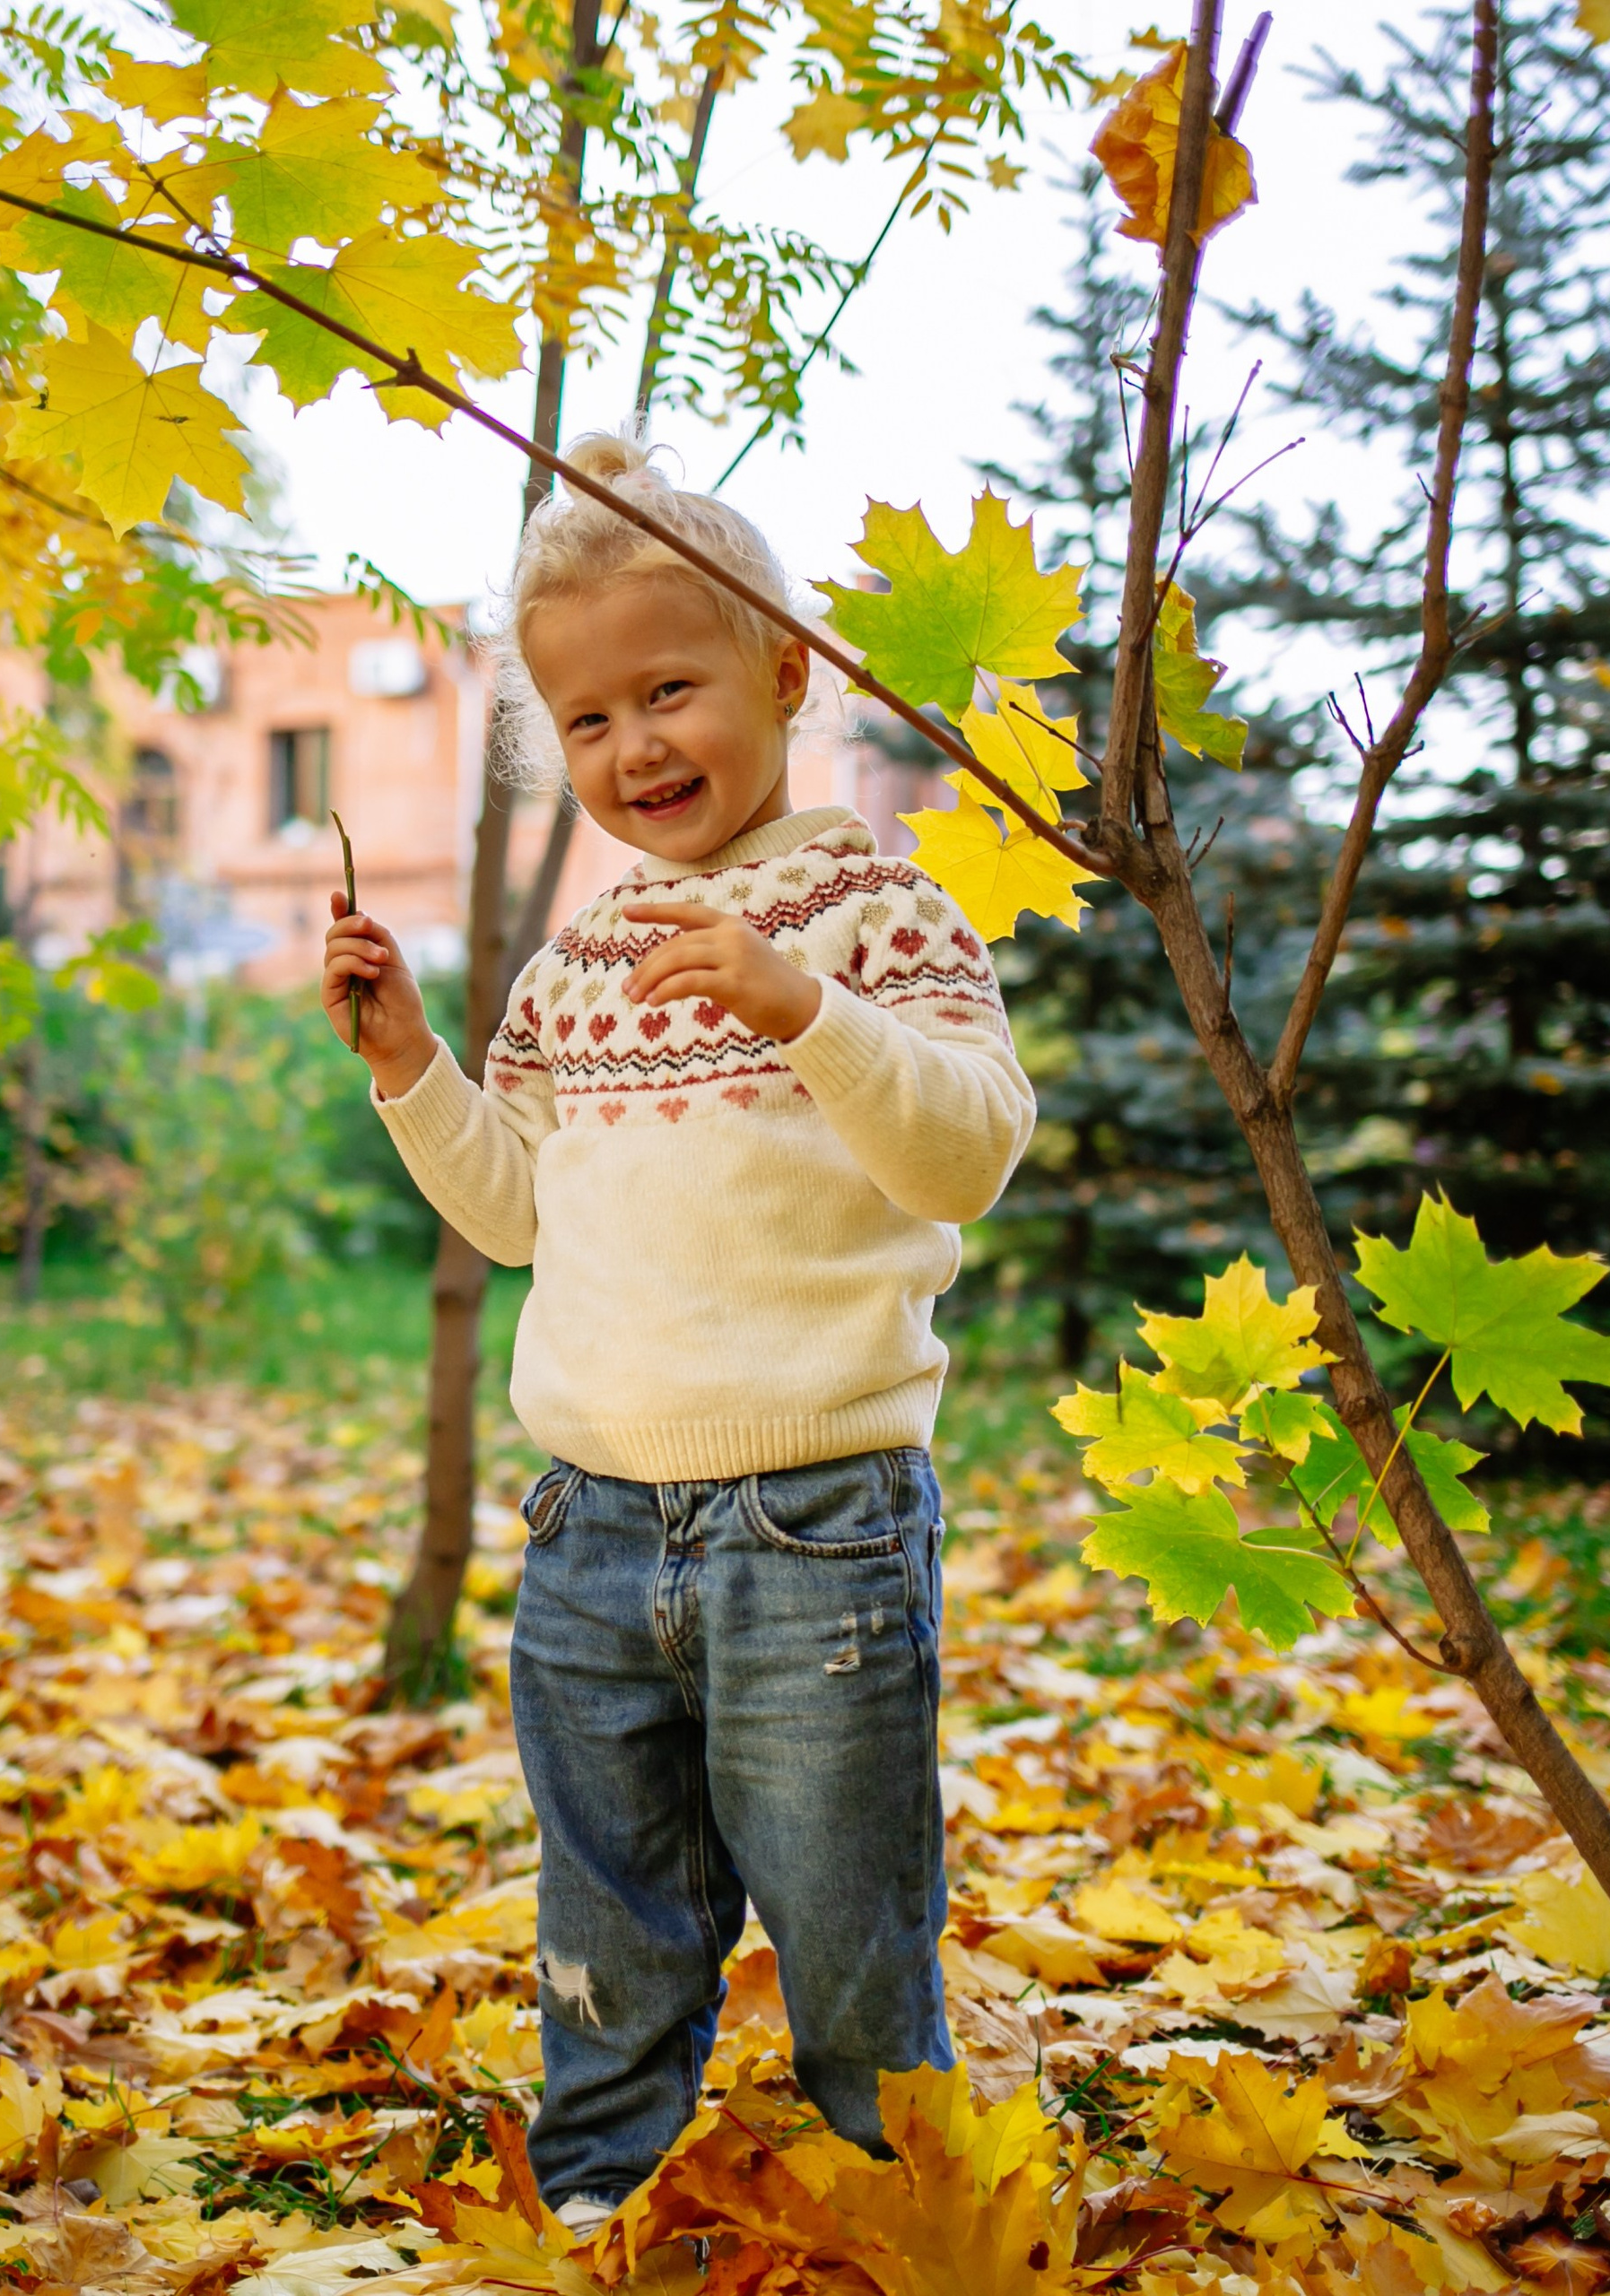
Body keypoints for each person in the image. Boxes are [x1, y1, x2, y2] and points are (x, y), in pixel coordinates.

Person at [319, 430, 1035, 2228]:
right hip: (590, 1523)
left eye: (669, 689)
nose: (634, 746)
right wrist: (409, 1062)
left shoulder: (874, 909)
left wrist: (805, 1006)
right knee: (608, 1907)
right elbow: (517, 1208)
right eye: (586, 720)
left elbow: (965, 1151)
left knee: (844, 1904)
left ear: (781, 673)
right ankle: (599, 2194)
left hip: (816, 1525)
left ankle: (899, 2204)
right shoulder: (575, 963)